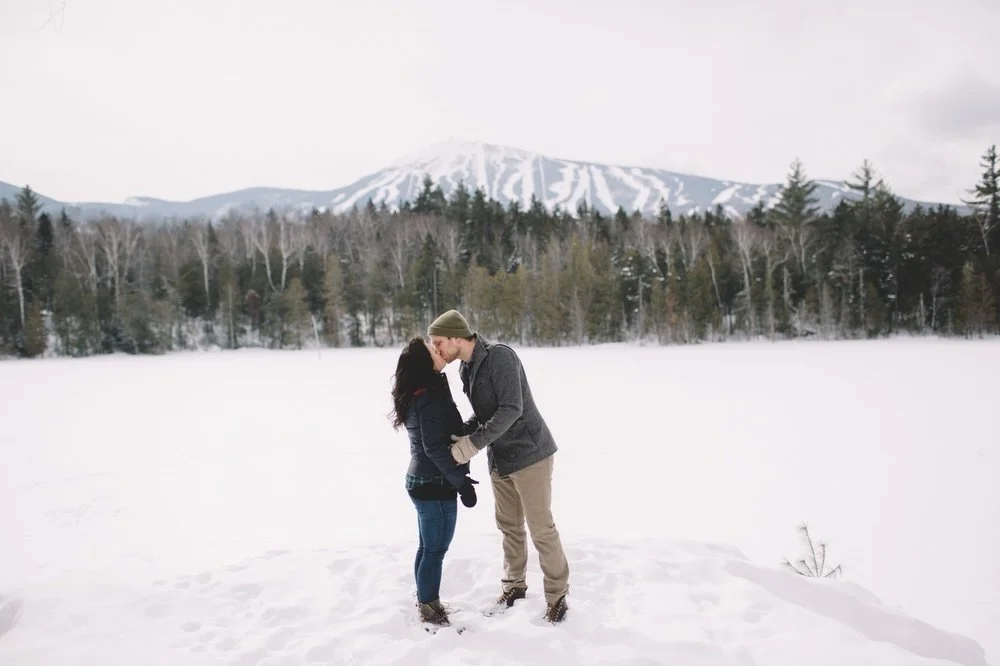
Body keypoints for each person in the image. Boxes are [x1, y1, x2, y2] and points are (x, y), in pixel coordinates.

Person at [427, 309, 570, 624]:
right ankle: (514, 587)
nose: (436, 349)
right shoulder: (466, 369)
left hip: (530, 454)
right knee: (509, 527)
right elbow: (485, 415)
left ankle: (558, 597)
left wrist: (471, 445)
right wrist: (463, 432)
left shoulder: (500, 357)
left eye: (438, 343)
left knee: (541, 528)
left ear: (455, 337)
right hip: (501, 458)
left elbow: (510, 409)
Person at [390, 336, 479, 628]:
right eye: (432, 349)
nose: (437, 349)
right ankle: (430, 608)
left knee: (427, 546)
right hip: (433, 483)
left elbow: (447, 432)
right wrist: (461, 484)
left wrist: (476, 423)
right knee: (435, 550)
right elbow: (434, 448)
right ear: (423, 363)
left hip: (426, 480)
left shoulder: (429, 389)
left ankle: (425, 599)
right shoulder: (426, 396)